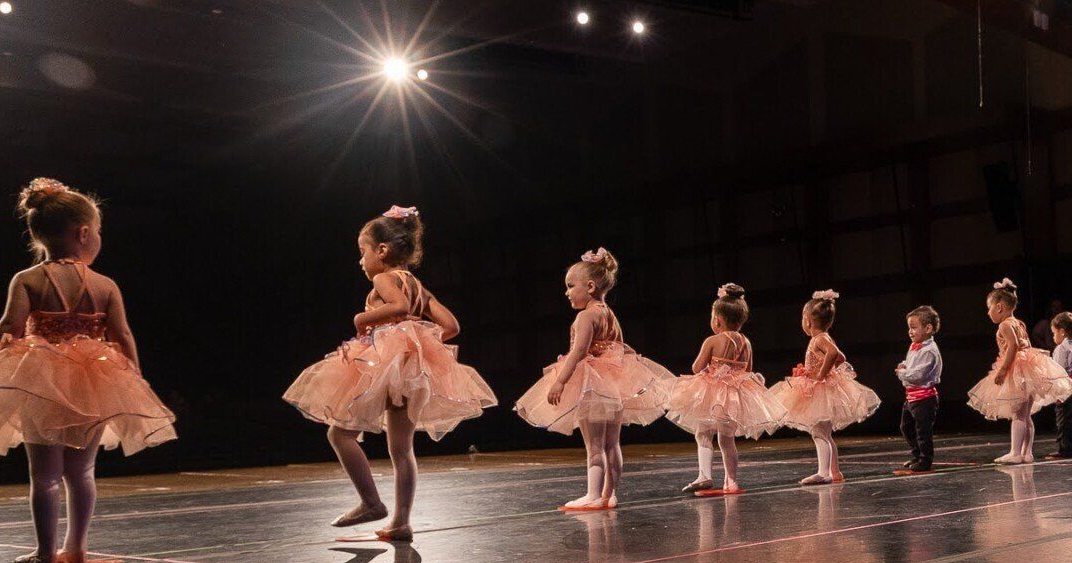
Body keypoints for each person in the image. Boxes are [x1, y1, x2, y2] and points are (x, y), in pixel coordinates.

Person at [0, 177, 177, 563]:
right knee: (82, 471)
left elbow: (9, 325)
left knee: (44, 476)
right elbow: (122, 336)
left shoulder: (27, 279)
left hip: (39, 381)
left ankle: (45, 553)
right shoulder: (105, 285)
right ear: (84, 233)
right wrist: (135, 379)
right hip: (94, 381)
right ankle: (76, 549)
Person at [284, 206, 496, 541]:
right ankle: (401, 522)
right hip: (412, 369)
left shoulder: (384, 278)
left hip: (387, 365)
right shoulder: (418, 286)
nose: (360, 261)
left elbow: (396, 308)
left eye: (362, 252)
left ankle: (371, 503)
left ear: (382, 251)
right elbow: (451, 326)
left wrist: (362, 320)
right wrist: (415, 335)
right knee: (402, 449)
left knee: (339, 435)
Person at [514, 247, 675, 511]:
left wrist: (560, 381)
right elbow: (622, 348)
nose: (566, 292)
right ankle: (609, 494)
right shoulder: (609, 313)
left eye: (570, 286)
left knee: (594, 445)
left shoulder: (586, 315)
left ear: (589, 286)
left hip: (593, 383)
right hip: (614, 383)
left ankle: (593, 495)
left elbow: (578, 351)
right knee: (613, 443)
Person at [666, 283, 781, 497]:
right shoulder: (746, 342)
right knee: (727, 439)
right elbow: (748, 368)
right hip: (737, 394)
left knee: (703, 433)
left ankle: (705, 475)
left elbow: (696, 367)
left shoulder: (713, 340)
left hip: (715, 394)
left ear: (717, 320)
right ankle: (731, 480)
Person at [767, 290, 881, 486]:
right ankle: (834, 471)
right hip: (823, 388)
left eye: (802, 318)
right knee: (825, 433)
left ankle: (824, 473)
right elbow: (841, 357)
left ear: (808, 321)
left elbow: (834, 353)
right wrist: (825, 369)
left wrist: (821, 374)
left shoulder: (819, 339)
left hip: (819, 389)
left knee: (818, 432)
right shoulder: (825, 337)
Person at [966, 277, 1072, 465]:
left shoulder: (1005, 324)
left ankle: (1015, 452)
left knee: (1018, 414)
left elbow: (1013, 347)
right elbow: (1025, 345)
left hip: (1017, 371)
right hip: (1029, 370)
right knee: (1026, 415)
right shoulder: (1019, 323)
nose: (988, 313)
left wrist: (1003, 370)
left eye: (989, 308)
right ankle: (1027, 453)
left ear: (999, 307)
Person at [893, 304, 943, 473]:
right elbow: (913, 365)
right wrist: (905, 364)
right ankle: (917, 454)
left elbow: (918, 375)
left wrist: (902, 373)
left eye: (914, 327)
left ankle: (925, 460)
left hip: (924, 398)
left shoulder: (929, 350)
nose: (910, 331)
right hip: (912, 397)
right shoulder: (915, 345)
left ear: (928, 328)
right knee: (906, 427)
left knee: (923, 431)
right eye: (909, 328)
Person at [1047, 310, 1072, 459]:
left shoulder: (1061, 348)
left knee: (1064, 417)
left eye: (1054, 333)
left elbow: (1058, 370)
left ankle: (1065, 449)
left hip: (1066, 385)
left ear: (1062, 332)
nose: (1053, 337)